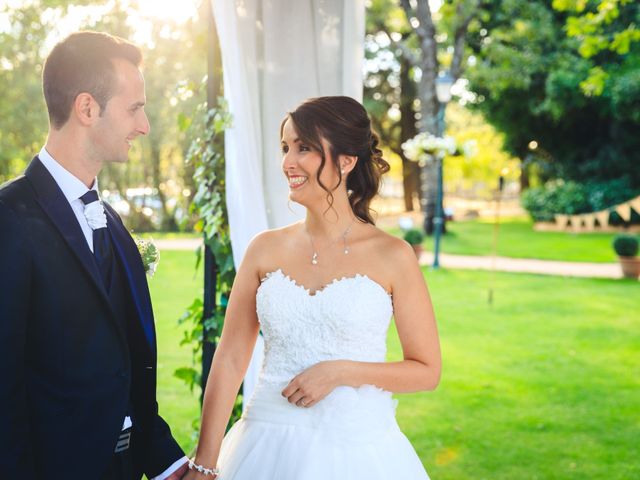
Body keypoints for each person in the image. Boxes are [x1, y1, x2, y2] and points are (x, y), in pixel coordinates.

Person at [185, 96, 441, 479]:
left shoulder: (393, 255)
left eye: (304, 148)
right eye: (286, 147)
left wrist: (341, 371)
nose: (288, 161)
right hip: (264, 444)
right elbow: (231, 358)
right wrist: (205, 460)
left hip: (359, 451)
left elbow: (426, 370)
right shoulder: (263, 249)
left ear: (346, 160)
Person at [0, 31, 188, 480]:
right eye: (135, 108)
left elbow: (121, 367)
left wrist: (168, 465)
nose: (143, 126)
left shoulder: (111, 222)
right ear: (87, 108)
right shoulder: (8, 219)